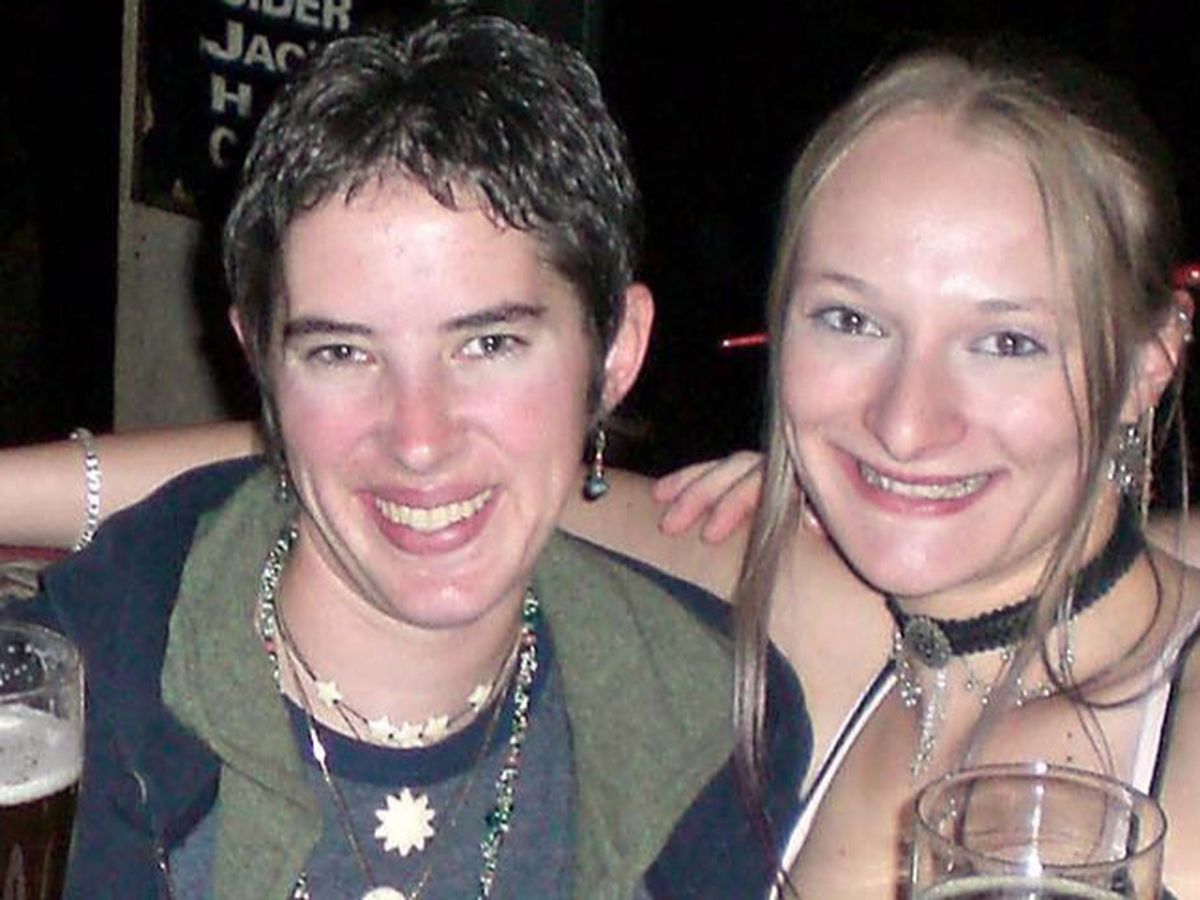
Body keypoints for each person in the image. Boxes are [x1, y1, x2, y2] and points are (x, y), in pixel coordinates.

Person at [6, 38, 1200, 899]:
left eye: (1006, 342)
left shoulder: (1176, 725)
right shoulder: (792, 596)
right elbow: (389, 474)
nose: (906, 420)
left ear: (1153, 358)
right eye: (851, 321)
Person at [1, 16, 809, 899]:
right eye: (342, 353)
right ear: (261, 366)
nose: (419, 439)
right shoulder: (72, 708)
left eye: (489, 344)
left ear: (615, 354)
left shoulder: (718, 731)